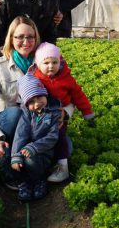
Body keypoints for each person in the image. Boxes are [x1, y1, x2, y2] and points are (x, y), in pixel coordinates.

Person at [0, 16, 41, 190]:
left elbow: (65, 92)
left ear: (36, 38)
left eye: (30, 37)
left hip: (35, 124)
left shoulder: (44, 63)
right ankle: (9, 166)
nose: (25, 42)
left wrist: (63, 114)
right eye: (19, 37)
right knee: (16, 114)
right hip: (10, 125)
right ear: (11, 39)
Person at [32, 42, 94, 183]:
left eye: (54, 62)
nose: (51, 66)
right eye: (46, 62)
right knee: (39, 136)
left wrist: (87, 111)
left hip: (60, 115)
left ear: (60, 62)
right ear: (38, 64)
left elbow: (78, 94)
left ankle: (63, 167)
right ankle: (40, 164)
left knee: (59, 137)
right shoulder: (35, 78)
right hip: (41, 114)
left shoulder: (66, 78)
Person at [11, 72, 60, 201]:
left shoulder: (54, 112)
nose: (37, 104)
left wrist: (34, 147)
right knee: (14, 160)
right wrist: (16, 155)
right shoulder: (27, 114)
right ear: (26, 104)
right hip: (28, 149)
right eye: (31, 101)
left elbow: (52, 137)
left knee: (30, 160)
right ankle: (25, 183)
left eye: (39, 97)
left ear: (45, 94)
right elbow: (20, 134)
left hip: (44, 151)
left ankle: (40, 180)